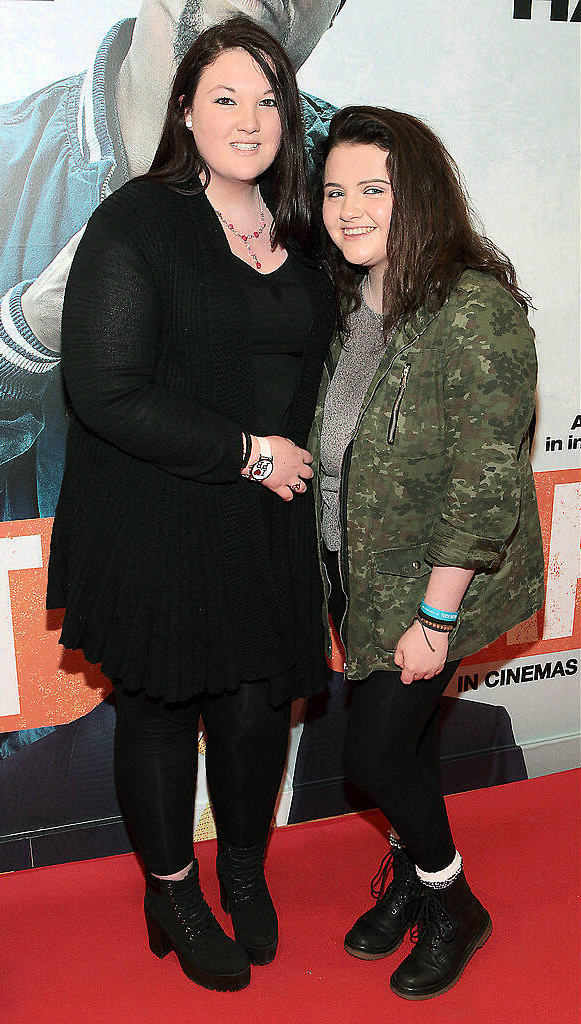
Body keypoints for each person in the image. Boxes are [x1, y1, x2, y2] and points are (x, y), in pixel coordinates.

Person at [0, 0, 347, 864]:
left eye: (266, 100)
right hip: (154, 522)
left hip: (268, 524)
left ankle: (244, 876)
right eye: (224, 98)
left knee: (257, 712)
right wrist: (28, 335)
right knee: (159, 712)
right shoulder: (111, 210)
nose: (250, 118)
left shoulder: (335, 185)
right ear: (185, 111)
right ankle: (172, 890)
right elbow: (112, 396)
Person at [309, 106, 544, 1000]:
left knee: (373, 759)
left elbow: (484, 485)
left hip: (431, 587)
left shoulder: (473, 312)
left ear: (422, 196)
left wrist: (435, 618)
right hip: (356, 576)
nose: (350, 209)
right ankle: (412, 877)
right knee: (406, 750)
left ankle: (453, 903)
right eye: (335, 191)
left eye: (375, 189)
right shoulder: (344, 302)